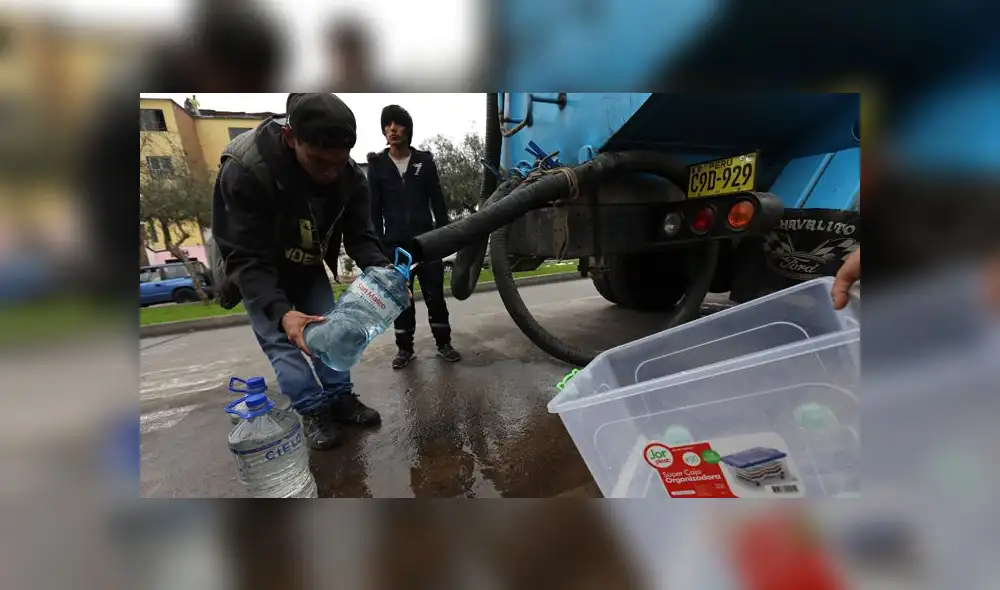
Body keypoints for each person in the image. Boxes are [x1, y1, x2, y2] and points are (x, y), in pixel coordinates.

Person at [211, 93, 391, 450]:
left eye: (338, 163)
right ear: (291, 138)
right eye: (319, 162)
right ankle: (312, 410)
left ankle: (340, 399)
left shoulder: (350, 176)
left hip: (306, 264)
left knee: (330, 332)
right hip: (258, 269)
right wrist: (281, 313)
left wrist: (384, 270)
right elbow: (243, 255)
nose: (330, 173)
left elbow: (361, 236)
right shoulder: (245, 168)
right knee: (285, 343)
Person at [368, 105, 462, 369]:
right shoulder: (376, 165)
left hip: (427, 244)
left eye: (397, 125)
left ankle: (444, 343)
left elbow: (439, 204)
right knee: (401, 300)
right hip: (395, 247)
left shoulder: (424, 161)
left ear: (408, 130)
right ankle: (405, 349)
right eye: (387, 125)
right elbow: (373, 212)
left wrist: (445, 237)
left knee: (435, 295)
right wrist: (378, 248)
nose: (392, 129)